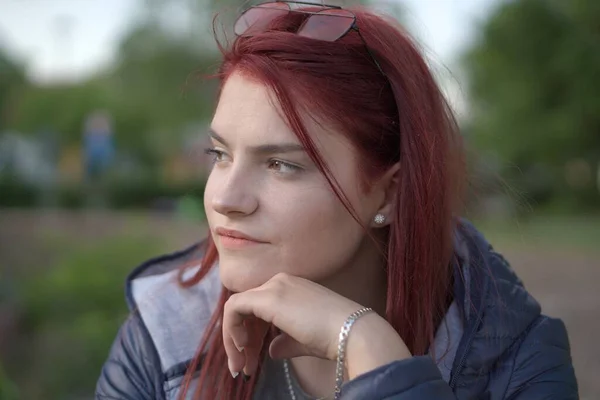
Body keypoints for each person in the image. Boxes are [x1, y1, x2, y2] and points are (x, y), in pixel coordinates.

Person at [96, 2, 578, 399]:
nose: (225, 197)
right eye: (219, 154)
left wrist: (368, 347)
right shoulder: (165, 338)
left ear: (388, 192)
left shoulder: (516, 362)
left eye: (281, 164)